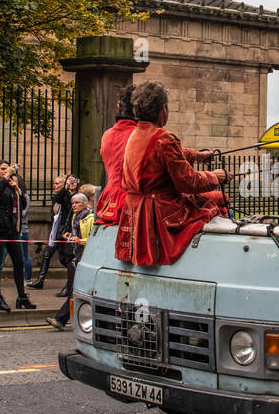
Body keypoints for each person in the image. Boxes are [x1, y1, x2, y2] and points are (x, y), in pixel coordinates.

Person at [115, 82, 229, 266]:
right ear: (163, 109)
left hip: (134, 208)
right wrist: (216, 176)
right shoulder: (164, 138)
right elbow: (188, 182)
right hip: (161, 211)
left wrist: (195, 155)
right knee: (217, 201)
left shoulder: (135, 134)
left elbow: (154, 157)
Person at [0, 159, 36, 311]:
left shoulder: (11, 185)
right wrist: (5, 179)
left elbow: (22, 205)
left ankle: (22, 296)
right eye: (3, 169)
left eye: (8, 169)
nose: (7, 171)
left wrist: (17, 189)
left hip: (13, 229)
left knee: (18, 262)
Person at [48, 192, 95, 331]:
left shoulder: (90, 218)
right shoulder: (76, 217)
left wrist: (81, 241)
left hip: (88, 259)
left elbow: (94, 239)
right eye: (73, 203)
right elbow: (77, 235)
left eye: (77, 203)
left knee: (75, 289)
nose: (74, 205)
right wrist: (71, 235)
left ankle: (61, 319)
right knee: (76, 290)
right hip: (78, 257)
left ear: (85, 204)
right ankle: (64, 319)